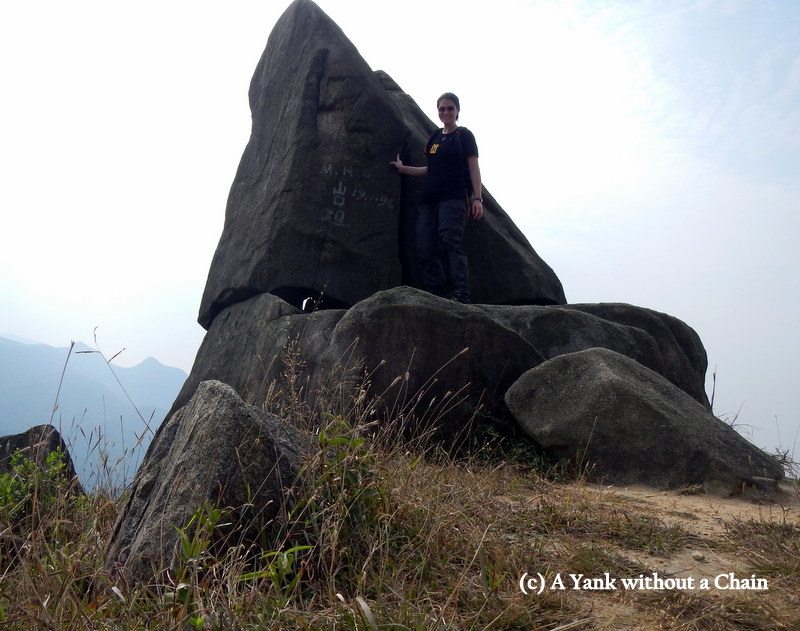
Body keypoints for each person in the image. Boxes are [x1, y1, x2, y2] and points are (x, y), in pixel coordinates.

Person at [390, 92, 483, 304]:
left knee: (450, 241)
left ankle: (462, 294)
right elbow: (429, 169)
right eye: (442, 109)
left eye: (450, 108)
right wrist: (403, 169)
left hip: (453, 198)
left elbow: (474, 168)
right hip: (429, 200)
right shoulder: (434, 137)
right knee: (424, 247)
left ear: (457, 110)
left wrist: (477, 198)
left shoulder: (464, 136)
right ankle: (438, 295)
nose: (445, 112)